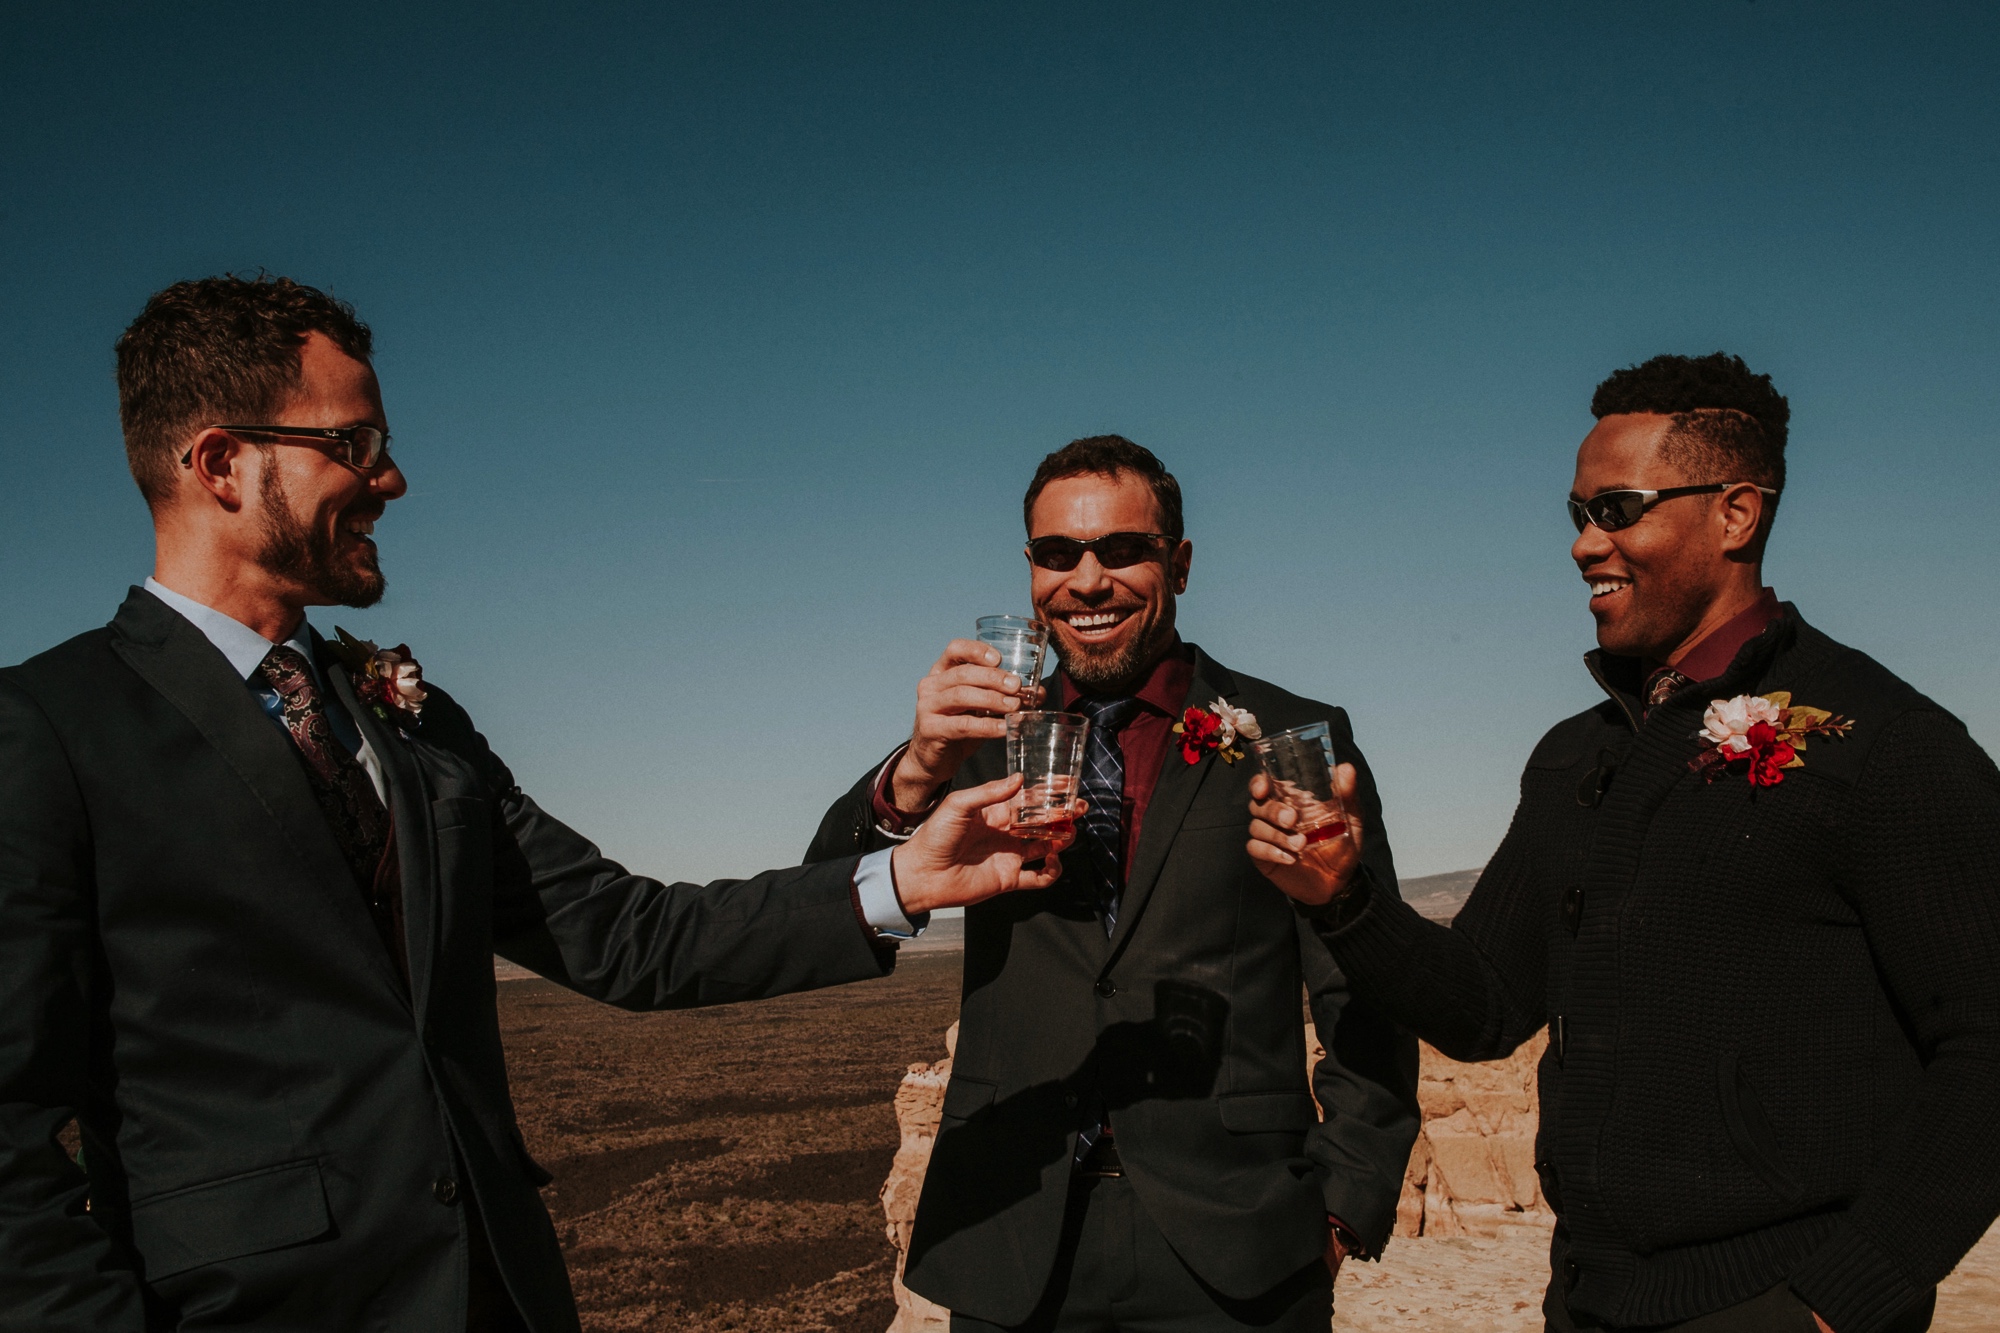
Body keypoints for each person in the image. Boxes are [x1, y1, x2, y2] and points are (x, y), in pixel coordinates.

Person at [0, 274, 1075, 1333]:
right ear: (221, 463)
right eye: (356, 445)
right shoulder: (49, 727)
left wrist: (902, 877)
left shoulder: (411, 723)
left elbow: (624, 935)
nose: (394, 480)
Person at [1246, 353, 2000, 1333]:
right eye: (1576, 514)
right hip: (1589, 1302)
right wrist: (1341, 896)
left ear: (1735, 513)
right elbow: (1482, 1011)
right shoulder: (1579, 756)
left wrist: (1838, 1301)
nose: (1581, 545)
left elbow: (1983, 1043)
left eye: (1618, 508)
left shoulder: (1878, 742)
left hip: (1778, 1305)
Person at [806, 436, 1418, 1332]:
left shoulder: (1287, 731)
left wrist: (1340, 1206)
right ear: (1029, 572)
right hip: (1013, 1238)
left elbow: (1365, 976)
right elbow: (820, 900)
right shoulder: (974, 740)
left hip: (1240, 1254)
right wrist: (911, 772)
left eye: (1121, 550)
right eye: (1057, 555)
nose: (1086, 582)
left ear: (1179, 561)